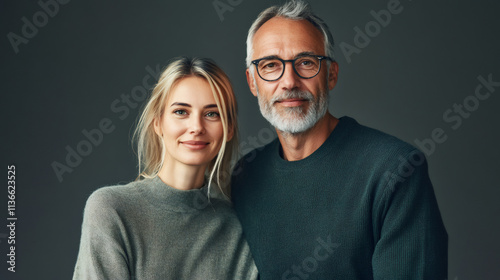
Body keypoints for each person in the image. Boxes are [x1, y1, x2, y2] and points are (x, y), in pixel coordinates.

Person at [231, 1, 448, 279]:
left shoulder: (395, 171)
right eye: (271, 65)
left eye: (306, 62)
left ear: (331, 74)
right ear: (252, 82)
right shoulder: (245, 177)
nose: (289, 82)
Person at [73, 57, 258, 279]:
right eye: (181, 112)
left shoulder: (240, 227)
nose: (196, 127)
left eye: (212, 113)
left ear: (228, 128)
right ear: (158, 122)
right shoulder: (112, 210)